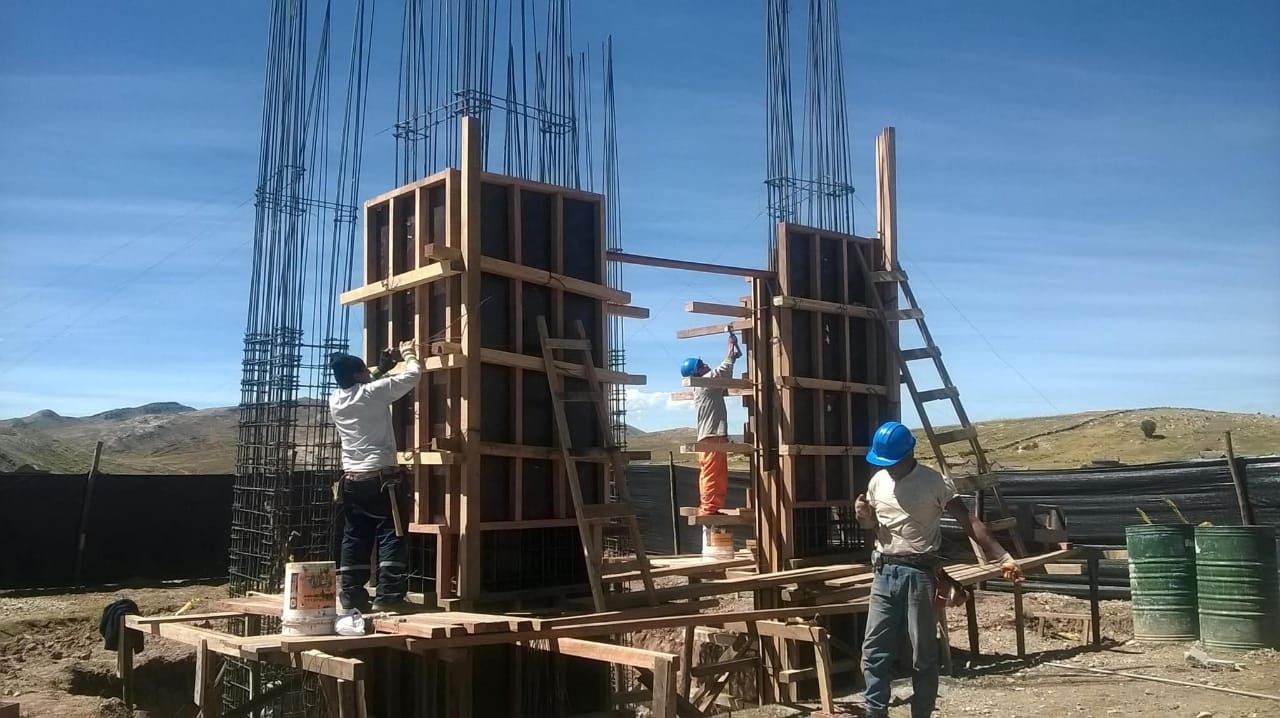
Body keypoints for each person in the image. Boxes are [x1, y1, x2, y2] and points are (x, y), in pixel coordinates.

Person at [854, 421, 1025, 718]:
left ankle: (921, 713)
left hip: (919, 574)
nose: (888, 467)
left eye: (893, 462)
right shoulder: (878, 481)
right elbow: (874, 526)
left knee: (923, 654)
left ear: (909, 454)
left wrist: (1003, 557)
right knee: (874, 651)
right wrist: (864, 517)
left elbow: (969, 521)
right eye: (884, 462)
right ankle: (874, 712)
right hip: (884, 572)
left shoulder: (934, 482)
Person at [329, 340, 421, 613]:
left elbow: (366, 386)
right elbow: (413, 375)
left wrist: (381, 369)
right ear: (358, 374)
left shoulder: (336, 399)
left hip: (352, 481)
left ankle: (351, 595)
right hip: (381, 481)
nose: (369, 374)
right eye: (365, 371)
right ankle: (388, 596)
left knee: (355, 535)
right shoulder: (372, 393)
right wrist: (409, 354)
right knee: (392, 532)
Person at [680, 332, 741, 516]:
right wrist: (730, 350)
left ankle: (711, 509)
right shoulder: (705, 384)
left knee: (716, 476)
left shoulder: (707, 386)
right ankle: (708, 510)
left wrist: (733, 354)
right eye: (701, 365)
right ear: (696, 373)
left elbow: (723, 377)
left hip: (713, 438)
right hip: (711, 438)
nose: (705, 364)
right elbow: (724, 370)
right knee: (712, 476)